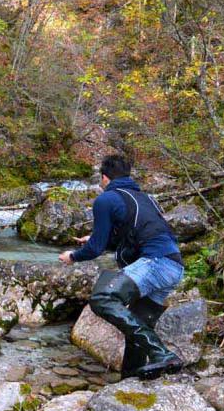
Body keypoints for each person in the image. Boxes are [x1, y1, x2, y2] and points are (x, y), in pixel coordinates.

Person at [58, 152, 184, 379]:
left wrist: (73, 257)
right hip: (174, 266)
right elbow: (139, 234)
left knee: (103, 298)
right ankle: (134, 378)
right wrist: (99, 239)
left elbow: (95, 250)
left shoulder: (106, 199)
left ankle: (161, 353)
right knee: (137, 327)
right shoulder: (145, 197)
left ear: (104, 178)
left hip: (154, 263)